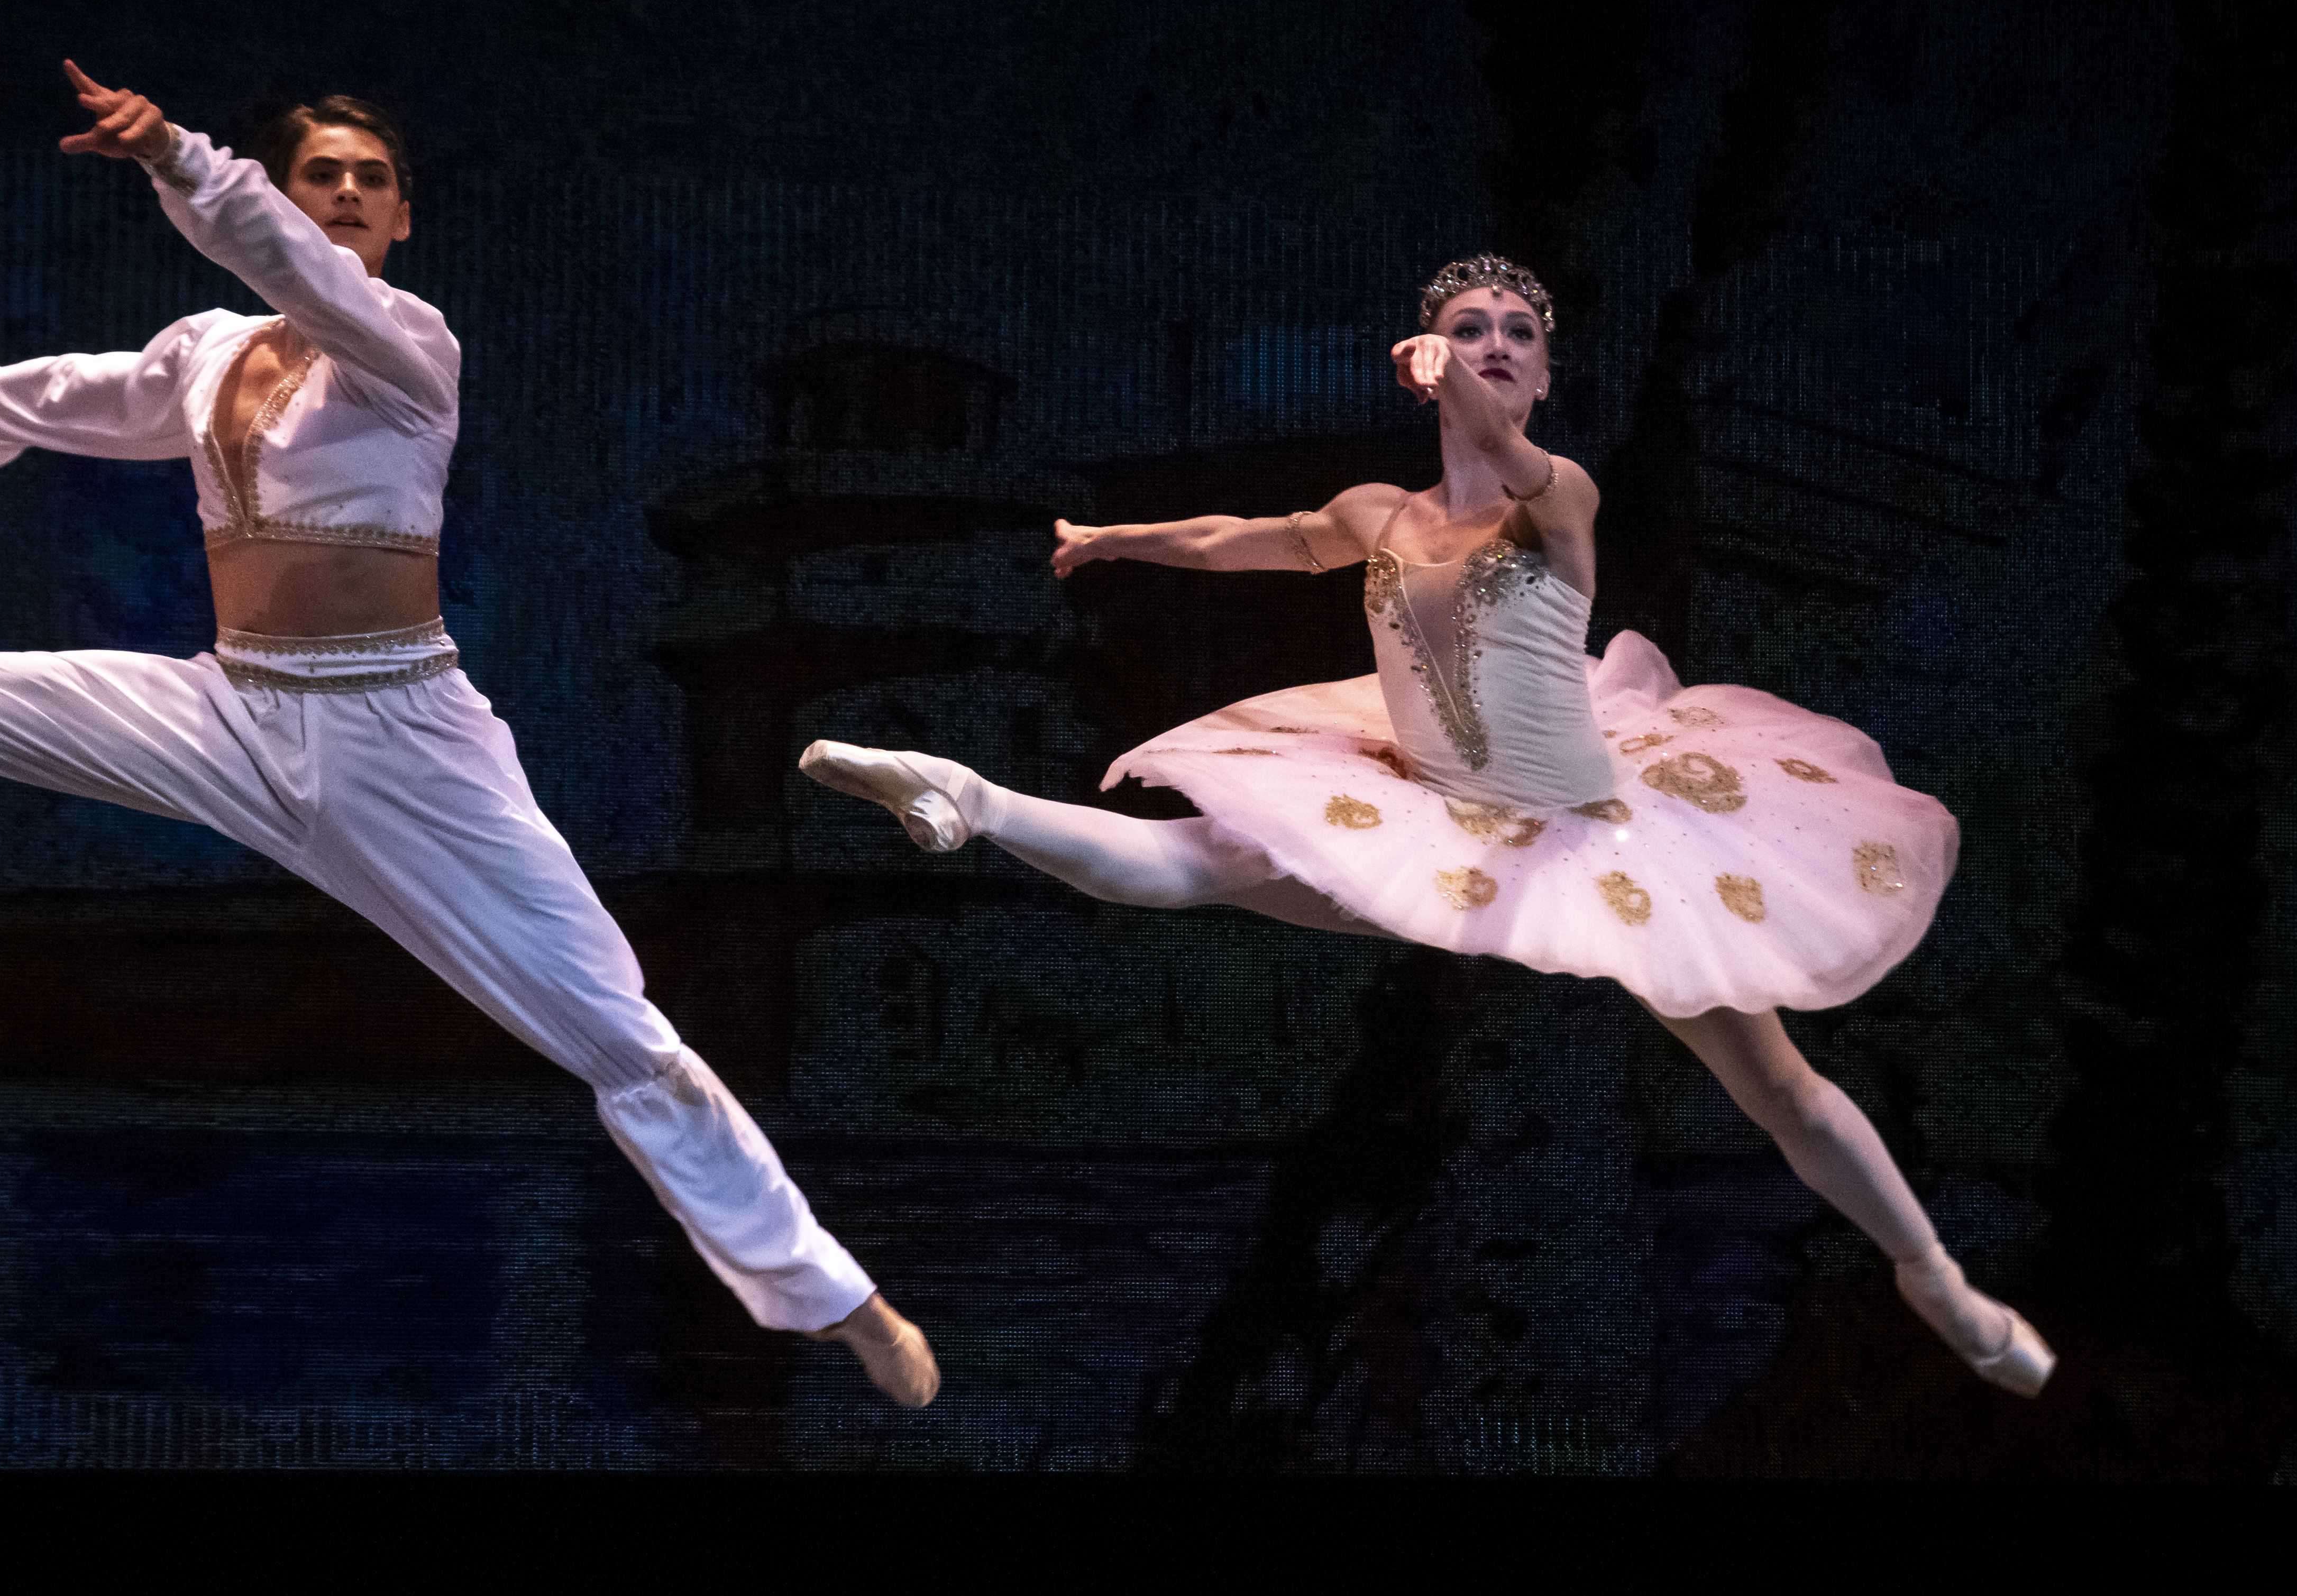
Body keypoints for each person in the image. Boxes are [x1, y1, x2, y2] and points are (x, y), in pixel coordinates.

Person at [0, 61, 937, 1407]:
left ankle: (828, 1293)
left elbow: (278, 259)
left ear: (402, 219)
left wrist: (181, 155)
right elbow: (92, 392)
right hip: (229, 704)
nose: (345, 196)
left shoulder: (409, 345)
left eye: (370, 180)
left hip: (399, 735)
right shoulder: (212, 354)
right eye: (324, 175)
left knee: (613, 1028)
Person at [801, 255, 2049, 1396]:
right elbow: (1253, 539)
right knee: (1196, 861)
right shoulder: (1378, 516)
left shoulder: (1555, 497)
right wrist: (1111, 539)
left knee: (1775, 1084)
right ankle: (969, 796)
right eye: (1469, 327)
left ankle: (1930, 1274)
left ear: (1544, 372)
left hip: (1591, 830)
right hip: (1427, 807)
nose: (1494, 343)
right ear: (1421, 359)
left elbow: (1513, 457)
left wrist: (1465, 386)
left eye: (1516, 333)